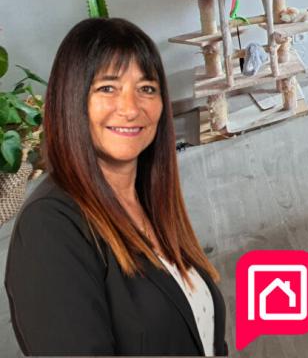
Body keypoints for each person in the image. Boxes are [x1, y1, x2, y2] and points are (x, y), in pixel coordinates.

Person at [5, 18, 227, 356]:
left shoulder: (150, 200)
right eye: (107, 88)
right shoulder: (49, 228)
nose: (131, 108)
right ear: (71, 100)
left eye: (146, 88)